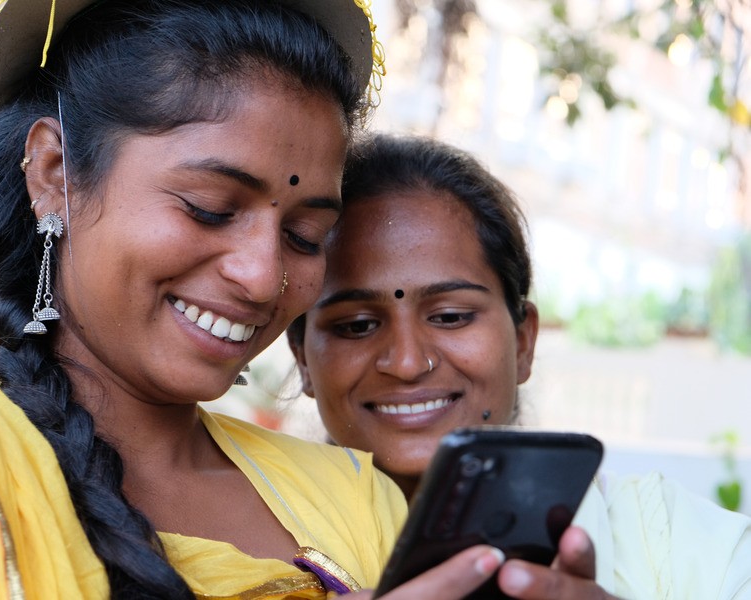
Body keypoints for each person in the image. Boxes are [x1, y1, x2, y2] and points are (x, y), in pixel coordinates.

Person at [0, 1, 528, 598]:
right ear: (55, 174)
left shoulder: (355, 495)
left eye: (304, 234)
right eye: (209, 209)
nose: (262, 278)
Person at [287, 133, 751, 598]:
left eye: (450, 317)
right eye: (357, 325)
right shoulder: (244, 561)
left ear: (524, 341)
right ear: (303, 357)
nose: (408, 363)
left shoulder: (678, 542)